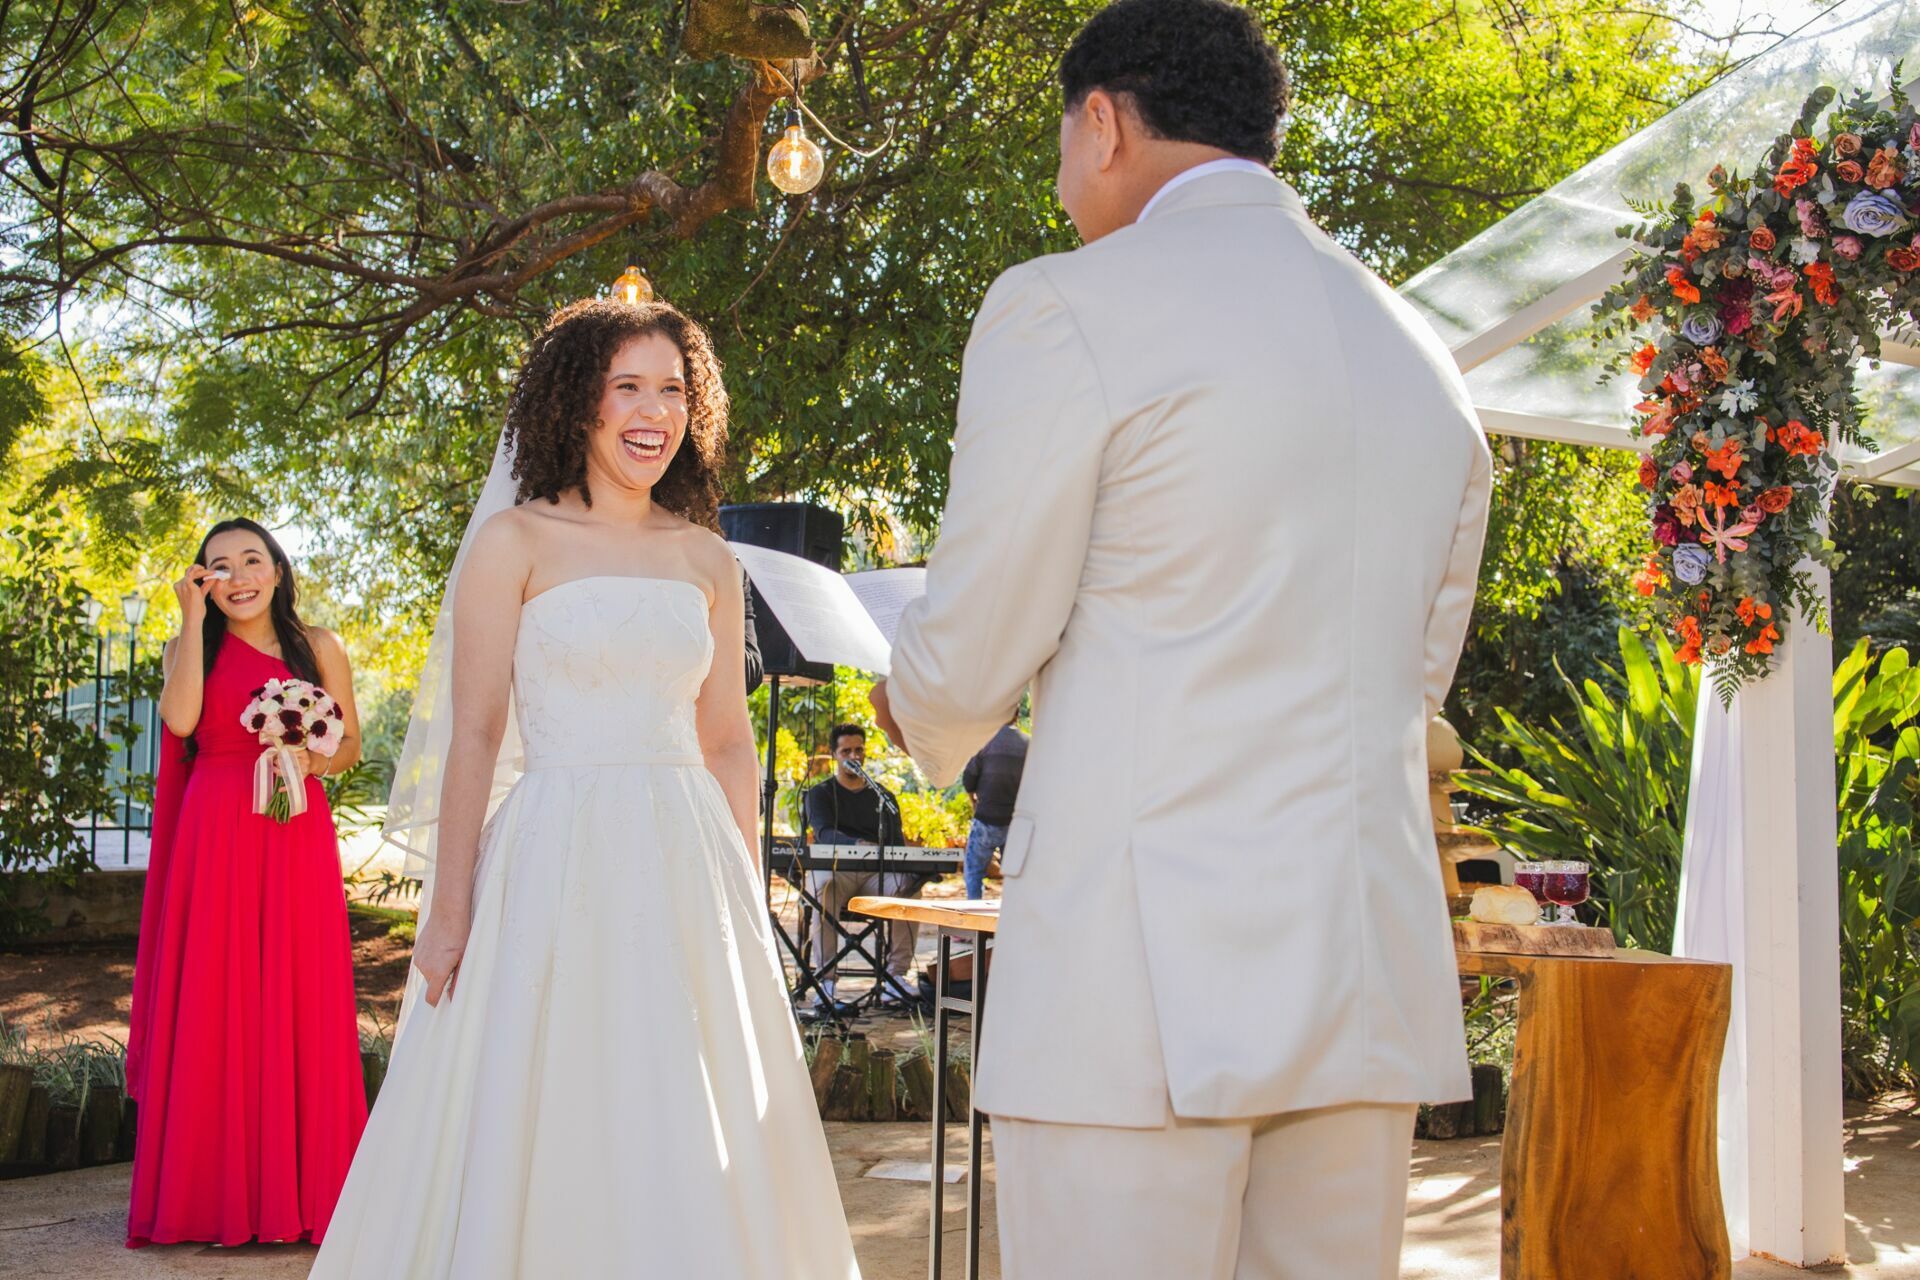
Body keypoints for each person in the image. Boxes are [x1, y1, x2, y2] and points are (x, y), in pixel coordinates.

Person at [869, 2, 1492, 1276]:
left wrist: (912, 707)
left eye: (1060, 138)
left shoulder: (1065, 308)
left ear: (1103, 121)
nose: (1059, 181)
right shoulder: (1423, 354)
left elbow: (975, 643)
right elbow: (1417, 680)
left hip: (1134, 986)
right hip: (1358, 972)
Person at [311, 299, 860, 1278]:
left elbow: (728, 741)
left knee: (682, 1100)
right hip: (552, 855)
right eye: (629, 387)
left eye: (674, 391)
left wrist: (745, 895)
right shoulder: (514, 541)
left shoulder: (704, 554)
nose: (654, 413)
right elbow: (477, 731)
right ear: (579, 401)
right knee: (549, 1097)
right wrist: (448, 909)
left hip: (687, 862)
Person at [126, 518, 368, 1248]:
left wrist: (304, 757)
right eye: (219, 566)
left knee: (299, 991)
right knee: (217, 994)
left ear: (277, 568)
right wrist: (189, 620)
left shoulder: (317, 646)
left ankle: (306, 1196)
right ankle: (210, 1196)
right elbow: (180, 719)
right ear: (204, 579)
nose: (239, 576)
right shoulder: (185, 647)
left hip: (293, 832)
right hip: (214, 834)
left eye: (252, 560)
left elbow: (350, 742)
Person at [803, 723, 923, 1006]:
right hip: (836, 872)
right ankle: (827, 982)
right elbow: (822, 834)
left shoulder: (883, 797)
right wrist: (856, 845)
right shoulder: (819, 794)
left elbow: (895, 844)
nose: (854, 756)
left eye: (859, 750)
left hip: (875, 877)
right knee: (824, 886)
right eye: (846, 751)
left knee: (910, 888)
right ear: (834, 754)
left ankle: (895, 978)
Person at [960, 717, 1027, 898]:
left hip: (986, 818)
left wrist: (974, 800)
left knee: (974, 871)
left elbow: (968, 779)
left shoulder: (985, 741)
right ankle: (1012, 917)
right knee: (1014, 876)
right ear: (1017, 716)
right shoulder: (1028, 744)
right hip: (1016, 821)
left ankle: (975, 916)